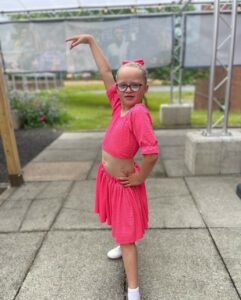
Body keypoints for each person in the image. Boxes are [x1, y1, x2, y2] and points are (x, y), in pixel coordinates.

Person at [66, 34, 159, 300]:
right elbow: (105, 70)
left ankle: (133, 289)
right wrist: (91, 41)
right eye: (123, 84)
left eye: (135, 85)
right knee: (119, 223)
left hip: (124, 183)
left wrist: (141, 178)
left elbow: (151, 153)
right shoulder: (119, 104)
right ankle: (120, 242)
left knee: (129, 238)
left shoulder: (139, 114)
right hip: (108, 179)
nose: (128, 89)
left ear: (144, 89)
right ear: (117, 87)